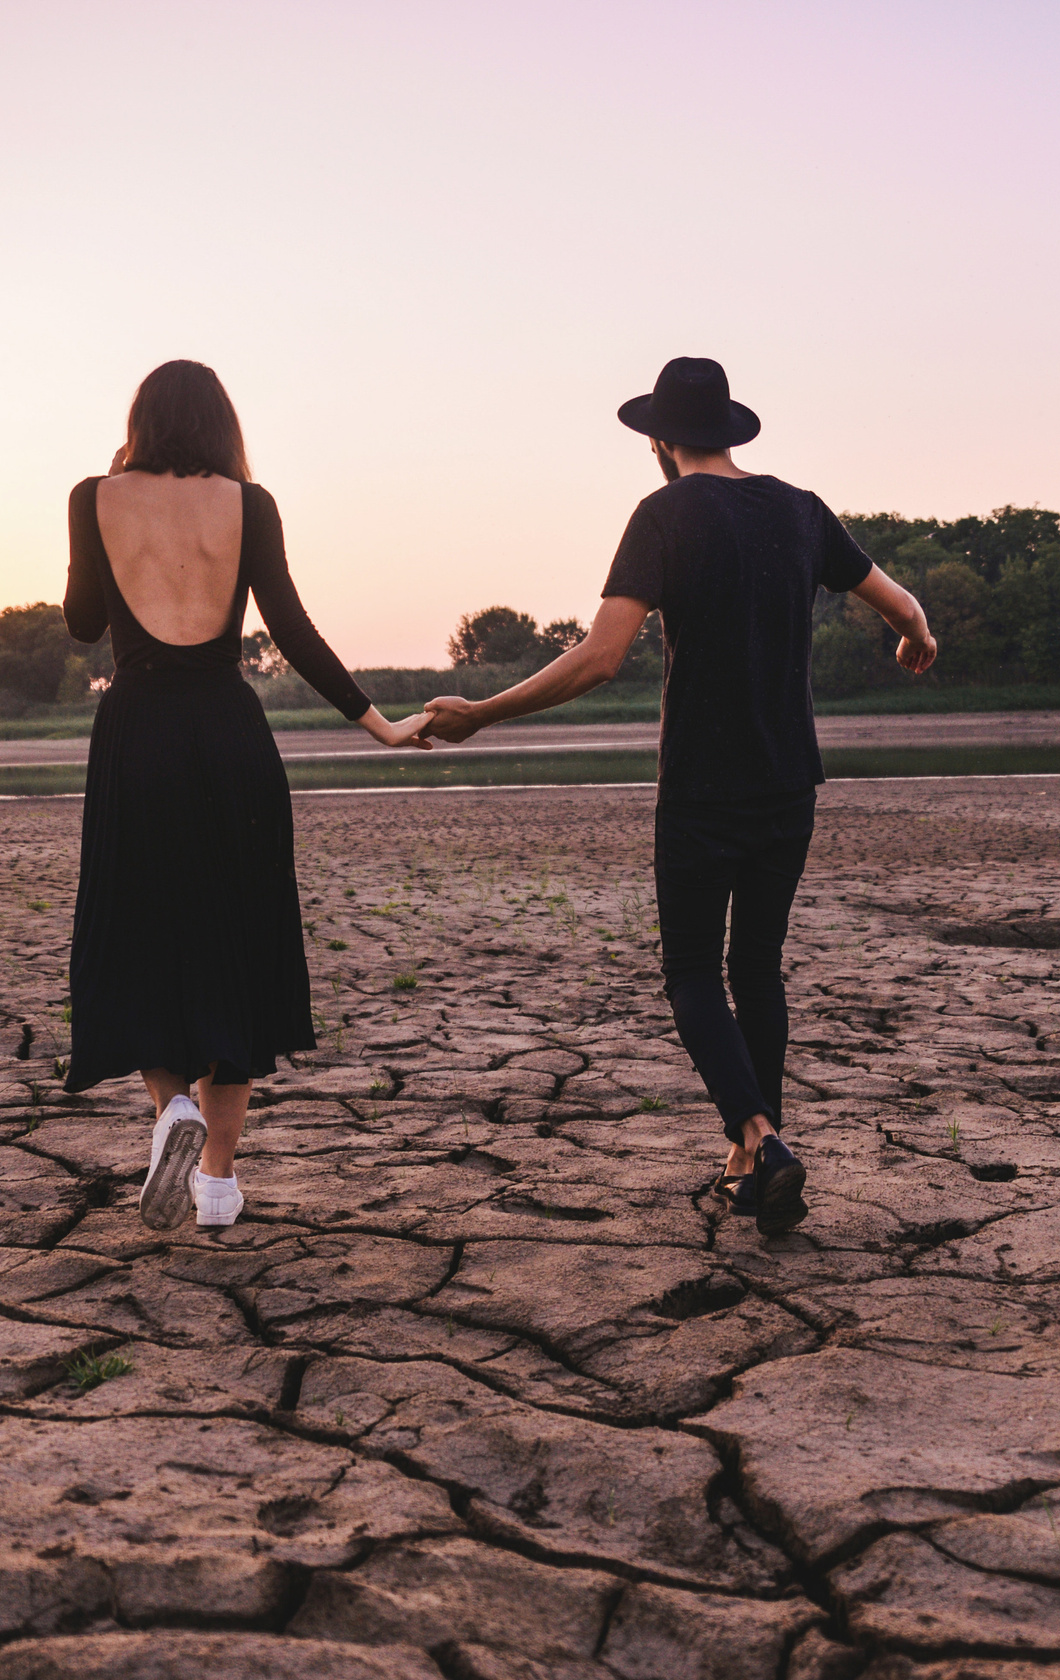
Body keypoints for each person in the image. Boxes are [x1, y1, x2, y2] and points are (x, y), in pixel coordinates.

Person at [423, 357, 936, 1235]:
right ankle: (751, 1160)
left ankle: (760, 1139)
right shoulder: (801, 509)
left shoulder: (662, 514)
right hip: (789, 782)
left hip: (702, 786)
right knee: (758, 967)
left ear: (660, 441)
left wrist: (483, 712)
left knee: (694, 972)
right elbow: (900, 602)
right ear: (730, 431)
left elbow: (599, 657)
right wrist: (915, 636)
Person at [63, 359, 431, 1232]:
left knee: (143, 931)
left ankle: (171, 1115)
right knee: (238, 939)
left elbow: (82, 621)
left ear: (141, 421)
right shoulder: (250, 504)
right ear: (222, 424)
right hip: (230, 735)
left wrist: (110, 540)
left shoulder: (92, 496)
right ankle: (219, 1187)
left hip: (138, 734)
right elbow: (292, 627)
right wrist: (376, 722)